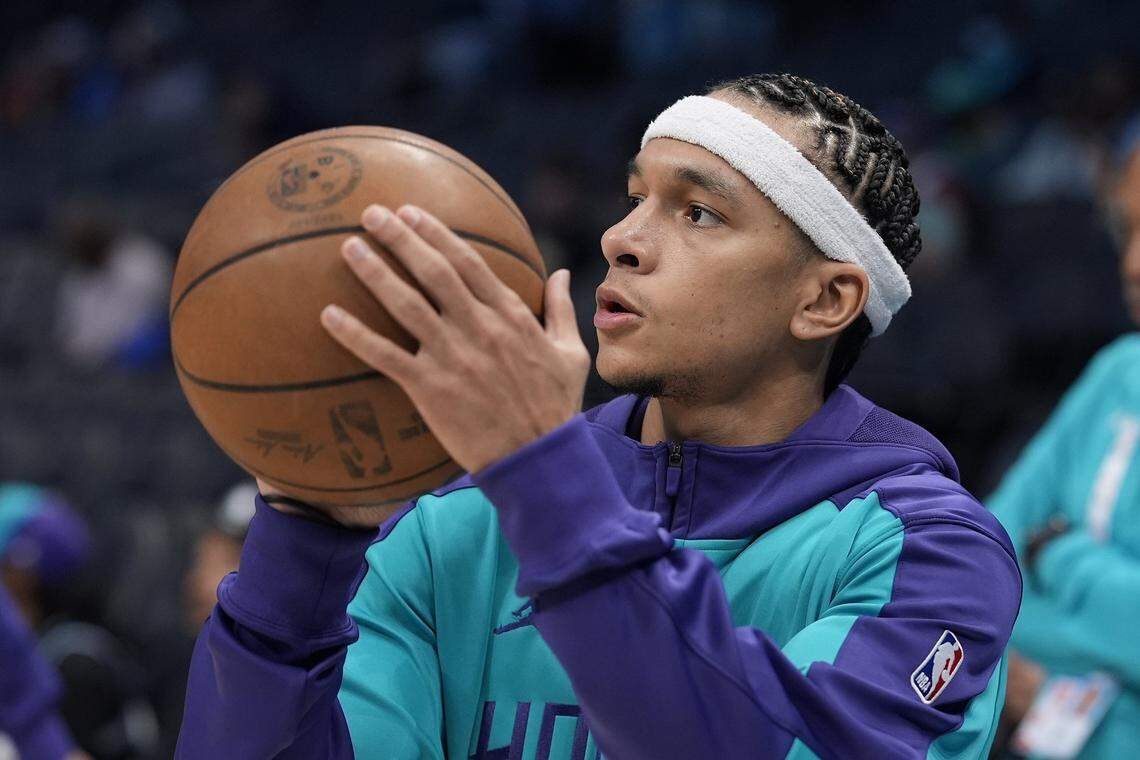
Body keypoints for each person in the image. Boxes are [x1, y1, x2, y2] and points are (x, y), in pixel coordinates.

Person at [178, 73, 1021, 759]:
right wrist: (304, 544)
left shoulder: (933, 557)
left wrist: (546, 478)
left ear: (825, 299)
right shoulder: (447, 525)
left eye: (698, 211)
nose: (622, 238)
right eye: (635, 197)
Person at [987, 118, 1140, 758]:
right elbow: (986, 559)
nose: (1133, 264)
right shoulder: (1118, 372)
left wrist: (1061, 559)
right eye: (1127, 231)